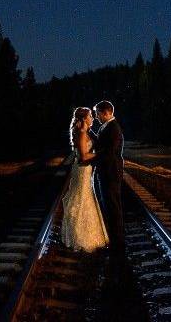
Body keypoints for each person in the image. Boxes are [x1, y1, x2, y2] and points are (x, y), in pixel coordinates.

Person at [60, 107, 109, 252]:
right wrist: (102, 153)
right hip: (82, 170)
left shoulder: (86, 132)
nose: (93, 118)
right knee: (81, 198)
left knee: (84, 197)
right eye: (90, 116)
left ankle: (82, 234)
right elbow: (84, 157)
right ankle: (80, 236)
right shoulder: (82, 134)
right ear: (83, 119)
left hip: (85, 170)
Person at [89, 100, 126, 276]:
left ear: (106, 112)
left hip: (110, 172)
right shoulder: (107, 127)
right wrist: (89, 132)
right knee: (110, 206)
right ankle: (115, 241)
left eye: (97, 113)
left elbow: (108, 151)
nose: (96, 117)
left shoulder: (114, 128)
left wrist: (89, 159)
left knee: (113, 207)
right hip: (107, 172)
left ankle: (118, 244)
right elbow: (102, 145)